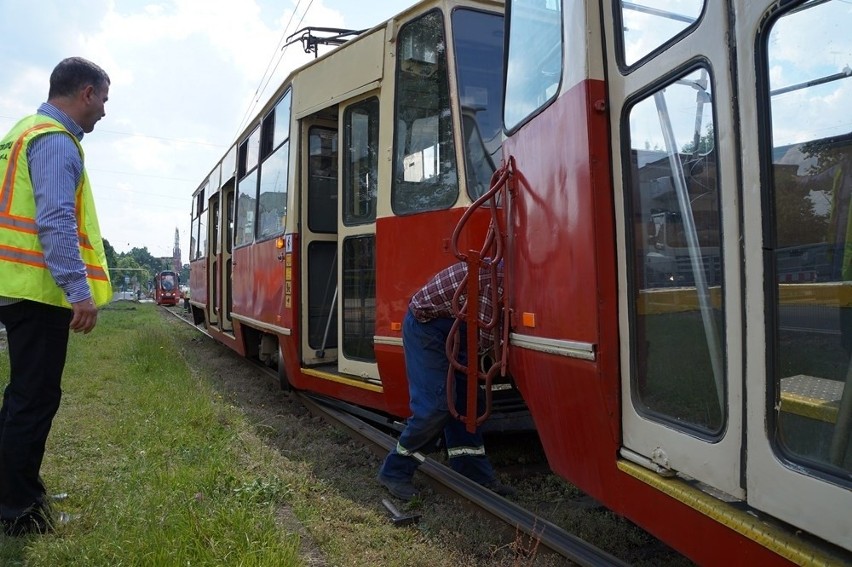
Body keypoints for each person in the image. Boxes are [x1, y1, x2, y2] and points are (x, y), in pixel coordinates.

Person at [0, 57, 112, 536]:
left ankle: (16, 490)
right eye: (104, 99)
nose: (104, 112)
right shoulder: (54, 140)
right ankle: (18, 512)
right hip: (36, 291)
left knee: (21, 397)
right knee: (34, 399)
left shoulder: (20, 132)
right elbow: (54, 221)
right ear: (85, 92)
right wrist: (78, 292)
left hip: (12, 285)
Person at [377, 259, 515, 501]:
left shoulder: (505, 276)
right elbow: (485, 340)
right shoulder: (496, 283)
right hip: (427, 327)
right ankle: (395, 471)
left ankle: (474, 476)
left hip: (457, 326)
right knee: (436, 406)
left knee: (467, 405)